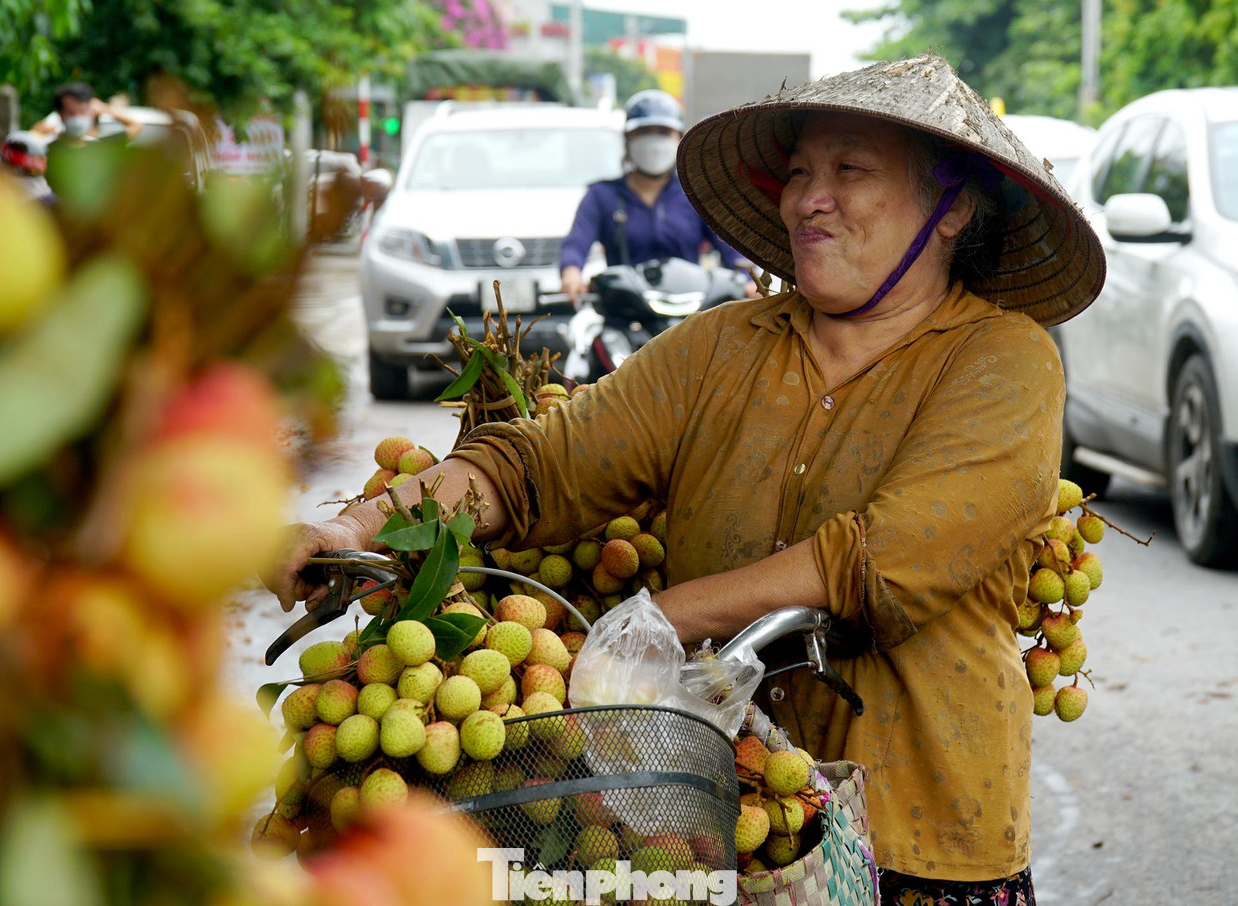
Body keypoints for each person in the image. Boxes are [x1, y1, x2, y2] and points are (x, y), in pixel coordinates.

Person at [265, 55, 1105, 903]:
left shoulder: (1005, 361)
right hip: (710, 828)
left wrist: (649, 626)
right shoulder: (719, 348)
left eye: (849, 170)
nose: (809, 196)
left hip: (922, 843)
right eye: (799, 173)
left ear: (953, 207)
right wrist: (359, 529)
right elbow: (537, 465)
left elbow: (879, 560)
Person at [559, 89, 756, 302]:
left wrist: (749, 279)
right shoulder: (601, 195)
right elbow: (576, 244)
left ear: (679, 138)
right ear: (627, 139)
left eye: (663, 132)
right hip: (623, 315)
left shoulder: (697, 194)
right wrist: (571, 273)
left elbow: (732, 246)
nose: (653, 141)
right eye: (644, 131)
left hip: (688, 316)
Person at [32, 82, 145, 144]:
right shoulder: (47, 146)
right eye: (71, 113)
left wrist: (105, 109)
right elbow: (33, 134)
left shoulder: (99, 147)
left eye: (82, 112)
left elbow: (136, 125)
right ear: (60, 115)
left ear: (91, 113)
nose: (77, 118)